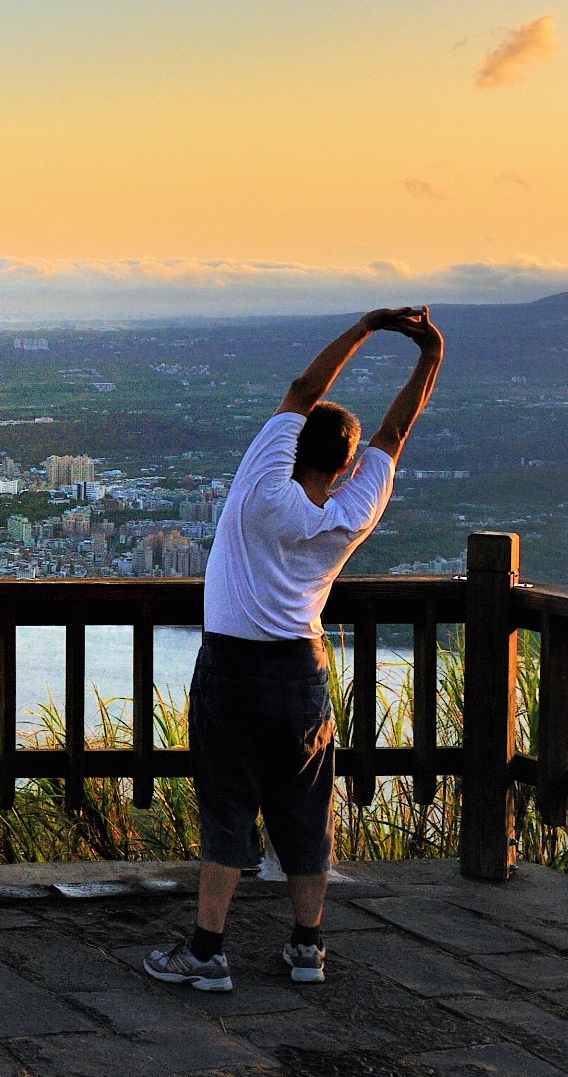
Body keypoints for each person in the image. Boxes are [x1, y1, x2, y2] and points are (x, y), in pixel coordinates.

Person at [146, 307, 443, 993]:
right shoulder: (348, 512)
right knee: (304, 811)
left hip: (232, 668)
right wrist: (428, 355)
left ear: (289, 445)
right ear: (343, 466)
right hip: (302, 674)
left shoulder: (258, 493)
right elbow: (394, 432)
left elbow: (301, 388)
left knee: (226, 809)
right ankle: (307, 947)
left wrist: (368, 325)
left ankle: (205, 951)